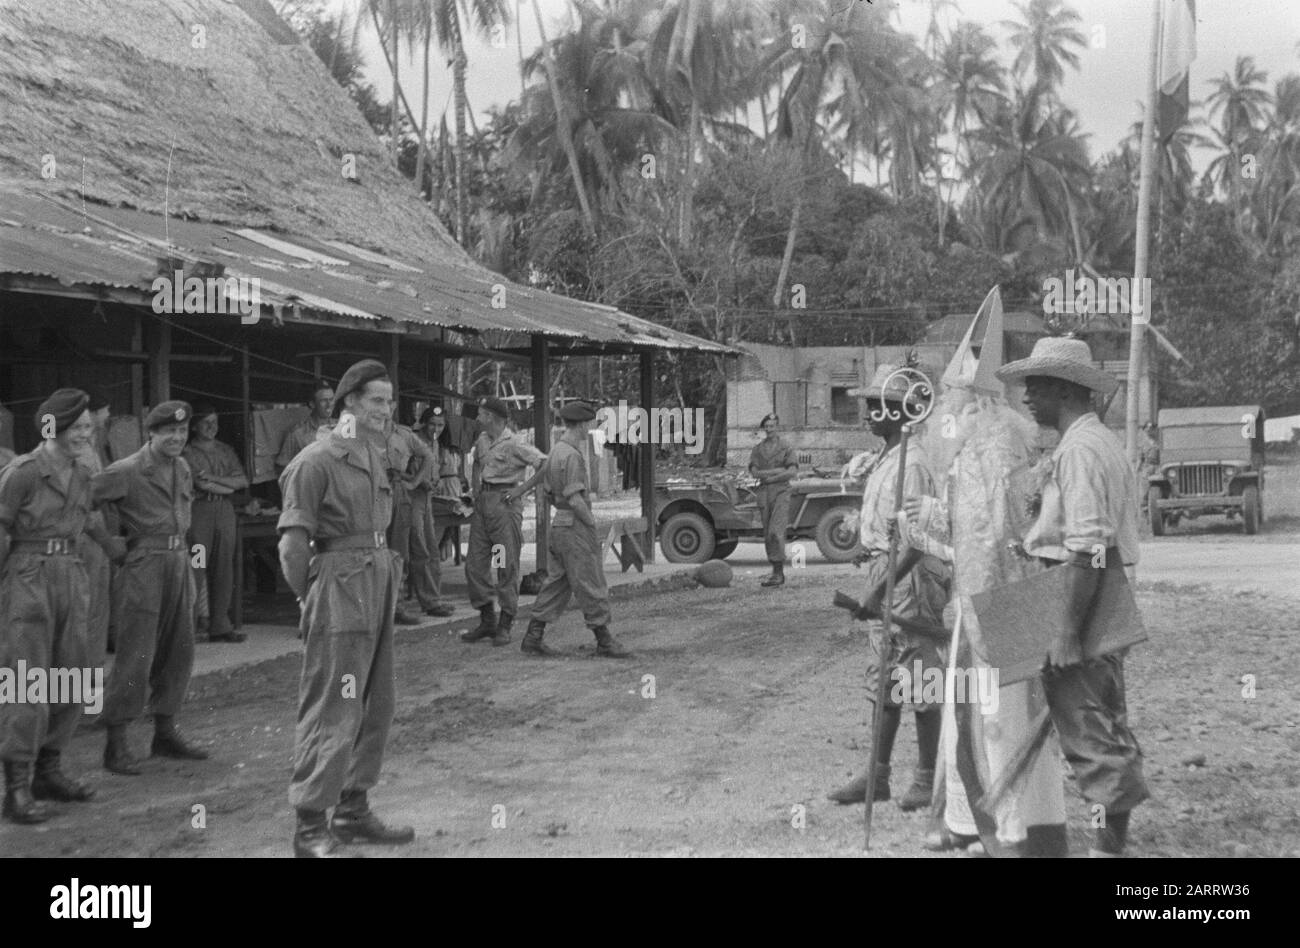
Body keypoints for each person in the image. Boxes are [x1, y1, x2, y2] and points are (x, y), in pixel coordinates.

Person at [995, 336, 1148, 857]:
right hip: (1085, 590)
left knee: (1089, 733)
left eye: (1035, 387)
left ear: (1064, 388)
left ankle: (1108, 850)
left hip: (1082, 592)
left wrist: (1064, 629)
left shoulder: (1080, 450)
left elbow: (1090, 548)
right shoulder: (1092, 442)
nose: (1027, 398)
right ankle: (1110, 845)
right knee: (1100, 721)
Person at [277, 358, 413, 858]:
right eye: (377, 400)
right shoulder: (316, 460)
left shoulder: (373, 454)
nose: (386, 409)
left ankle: (353, 810)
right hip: (340, 587)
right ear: (349, 402)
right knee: (333, 703)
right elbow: (293, 546)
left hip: (377, 582)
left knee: (378, 702)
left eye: (389, 400)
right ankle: (311, 823)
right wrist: (308, 598)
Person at [828, 365, 951, 810]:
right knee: (885, 677)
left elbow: (918, 540)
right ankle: (876, 776)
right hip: (884, 570)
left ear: (902, 413)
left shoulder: (913, 464)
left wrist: (881, 590)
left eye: (875, 406)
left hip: (909, 579)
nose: (866, 414)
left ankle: (927, 776)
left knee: (919, 677)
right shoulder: (886, 457)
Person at [0, 389, 109, 823]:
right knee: (28, 679)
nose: (86, 434)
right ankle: (16, 787)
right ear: (53, 429)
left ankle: (49, 768)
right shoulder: (22, 473)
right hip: (28, 574)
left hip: (71, 571)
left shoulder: (83, 474)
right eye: (77, 427)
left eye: (88, 426)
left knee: (73, 674)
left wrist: (113, 549)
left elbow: (90, 521)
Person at [92, 400, 209, 775]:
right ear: (152, 433)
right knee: (137, 651)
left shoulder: (183, 467)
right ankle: (117, 743)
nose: (177, 437)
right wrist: (109, 542)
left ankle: (165, 732)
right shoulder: (126, 470)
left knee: (179, 649)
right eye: (168, 432)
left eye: (182, 431)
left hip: (179, 561)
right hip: (144, 564)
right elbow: (80, 501)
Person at [521, 402, 630, 658]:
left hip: (559, 524)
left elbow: (548, 493)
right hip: (575, 526)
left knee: (557, 583)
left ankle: (532, 637)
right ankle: (604, 641)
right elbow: (575, 498)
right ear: (582, 424)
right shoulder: (571, 455)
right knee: (590, 581)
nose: (590, 428)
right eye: (590, 423)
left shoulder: (555, 452)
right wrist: (591, 523)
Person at [460, 397, 546, 646]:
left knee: (505, 564)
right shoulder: (483, 439)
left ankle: (505, 623)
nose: (477, 419)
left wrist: (521, 491)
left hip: (505, 505)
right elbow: (477, 464)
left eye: (482, 414)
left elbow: (544, 464)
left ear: (493, 418)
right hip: (484, 505)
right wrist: (476, 489)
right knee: (475, 565)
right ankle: (487, 620)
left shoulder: (515, 442)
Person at [183, 404, 249, 643]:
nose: (212, 427)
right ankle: (188, 627)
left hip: (224, 510)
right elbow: (202, 485)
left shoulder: (225, 450)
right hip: (200, 511)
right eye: (206, 423)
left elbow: (242, 481)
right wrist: (225, 484)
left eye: (215, 422)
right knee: (197, 565)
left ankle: (220, 624)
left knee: (224, 565)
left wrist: (214, 479)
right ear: (194, 426)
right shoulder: (187, 452)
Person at [384, 414, 436, 626]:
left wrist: (414, 482)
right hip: (369, 493)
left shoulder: (404, 434)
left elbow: (428, 456)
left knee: (399, 552)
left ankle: (397, 607)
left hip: (397, 492)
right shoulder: (361, 429)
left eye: (387, 402)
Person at [410, 406, 455, 618]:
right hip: (411, 500)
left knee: (433, 550)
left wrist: (434, 482)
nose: (436, 429)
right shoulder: (412, 440)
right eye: (432, 424)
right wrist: (421, 481)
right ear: (423, 423)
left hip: (428, 499)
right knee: (419, 550)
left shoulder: (435, 443)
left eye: (440, 425)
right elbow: (400, 472)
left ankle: (434, 599)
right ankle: (427, 601)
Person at [748, 414, 798, 587]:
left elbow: (792, 472)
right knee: (768, 534)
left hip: (781, 492)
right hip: (764, 493)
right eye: (767, 426)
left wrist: (772, 477)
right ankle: (775, 572)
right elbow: (755, 473)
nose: (769, 429)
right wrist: (776, 471)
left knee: (776, 532)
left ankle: (779, 572)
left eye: (772, 426)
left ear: (777, 427)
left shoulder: (786, 447)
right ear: (764, 428)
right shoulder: (757, 449)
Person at [276, 382, 334, 473]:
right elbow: (282, 468)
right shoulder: (297, 434)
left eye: (331, 399)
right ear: (312, 404)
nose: (329, 404)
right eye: (324, 400)